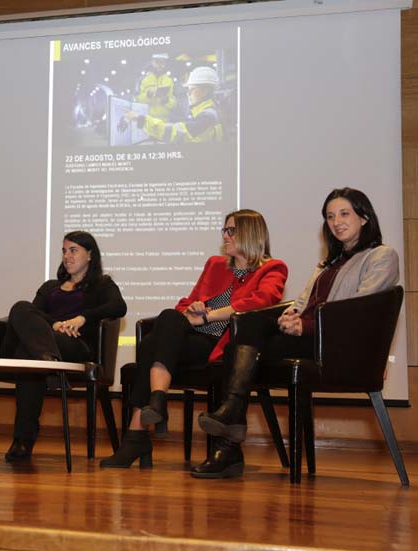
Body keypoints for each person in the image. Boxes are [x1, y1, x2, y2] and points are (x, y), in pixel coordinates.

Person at [193, 188, 400, 479]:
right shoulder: (329, 262)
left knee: (242, 342)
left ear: (364, 217)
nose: (336, 222)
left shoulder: (381, 256)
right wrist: (291, 316)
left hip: (338, 346)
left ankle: (230, 435)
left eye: (344, 214)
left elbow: (359, 310)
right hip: (309, 338)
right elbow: (302, 301)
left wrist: (306, 325)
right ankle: (231, 425)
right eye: (330, 216)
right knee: (246, 325)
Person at [100, 209, 287, 469]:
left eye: (230, 230)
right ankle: (156, 401)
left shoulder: (272, 268)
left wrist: (208, 315)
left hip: (221, 344)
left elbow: (260, 302)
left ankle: (139, 432)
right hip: (191, 337)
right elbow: (186, 302)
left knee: (150, 346)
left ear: (250, 233)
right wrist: (193, 308)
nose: (225, 235)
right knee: (168, 318)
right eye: (224, 230)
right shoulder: (215, 265)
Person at [2, 231, 127, 462]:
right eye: (64, 251)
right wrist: (56, 324)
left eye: (73, 250)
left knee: (28, 353)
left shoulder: (102, 284)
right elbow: (32, 314)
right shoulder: (50, 287)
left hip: (76, 347)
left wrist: (83, 318)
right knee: (20, 308)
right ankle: (49, 362)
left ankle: (23, 439)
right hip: (48, 344)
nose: (67, 256)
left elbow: (119, 307)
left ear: (90, 255)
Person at [126, 65, 223, 143]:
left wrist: (141, 119)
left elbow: (175, 132)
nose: (188, 94)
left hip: (156, 127)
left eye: (191, 89)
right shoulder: (211, 111)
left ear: (204, 91)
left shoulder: (207, 116)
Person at [135, 53, 176, 121]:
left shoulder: (170, 80)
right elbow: (136, 100)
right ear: (152, 62)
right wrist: (148, 95)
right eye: (157, 62)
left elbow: (175, 104)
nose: (160, 65)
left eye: (162, 62)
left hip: (164, 122)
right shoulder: (143, 79)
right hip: (147, 121)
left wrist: (166, 100)